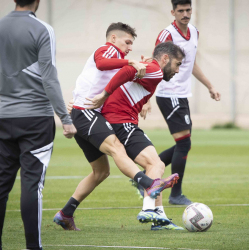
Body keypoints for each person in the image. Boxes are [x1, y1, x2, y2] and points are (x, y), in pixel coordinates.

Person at [53, 23, 179, 231]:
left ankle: (66, 213)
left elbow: (130, 77)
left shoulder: (119, 61)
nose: (129, 47)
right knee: (117, 148)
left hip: (85, 113)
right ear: (113, 38)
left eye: (131, 44)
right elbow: (103, 64)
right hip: (87, 114)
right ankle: (148, 184)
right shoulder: (107, 50)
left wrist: (139, 71)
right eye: (127, 42)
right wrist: (131, 61)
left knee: (101, 172)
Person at [0, 0, 77, 249]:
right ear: (38, 1)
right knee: (31, 186)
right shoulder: (43, 29)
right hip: (37, 120)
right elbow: (49, 76)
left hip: (5, 119)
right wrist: (65, 119)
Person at [85, 41, 186, 230]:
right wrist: (104, 95)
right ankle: (148, 209)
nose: (178, 70)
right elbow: (127, 71)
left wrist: (145, 101)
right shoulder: (155, 70)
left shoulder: (151, 69)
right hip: (122, 121)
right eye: (177, 64)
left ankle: (159, 218)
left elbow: (132, 78)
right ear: (165, 58)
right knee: (155, 164)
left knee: (156, 164)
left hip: (118, 120)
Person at [133, 0, 221, 205]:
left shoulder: (194, 32)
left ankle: (146, 177)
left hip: (182, 94)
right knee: (184, 142)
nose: (185, 14)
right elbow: (154, 64)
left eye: (188, 10)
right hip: (167, 92)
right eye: (180, 10)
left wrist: (210, 86)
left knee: (184, 144)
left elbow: (192, 64)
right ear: (173, 12)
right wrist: (146, 98)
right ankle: (175, 194)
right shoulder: (167, 35)